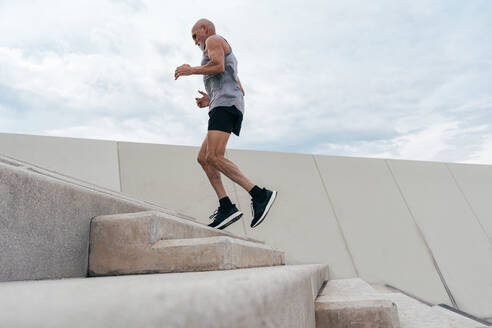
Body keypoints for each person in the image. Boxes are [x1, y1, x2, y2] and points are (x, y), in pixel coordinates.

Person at [174, 18, 277, 230]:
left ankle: (260, 195)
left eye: (195, 35)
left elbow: (219, 66)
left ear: (204, 29)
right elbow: (237, 85)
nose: (194, 42)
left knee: (214, 156)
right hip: (224, 105)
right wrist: (210, 99)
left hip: (226, 107)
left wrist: (191, 70)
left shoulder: (213, 39)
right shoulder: (217, 48)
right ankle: (226, 206)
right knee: (203, 158)